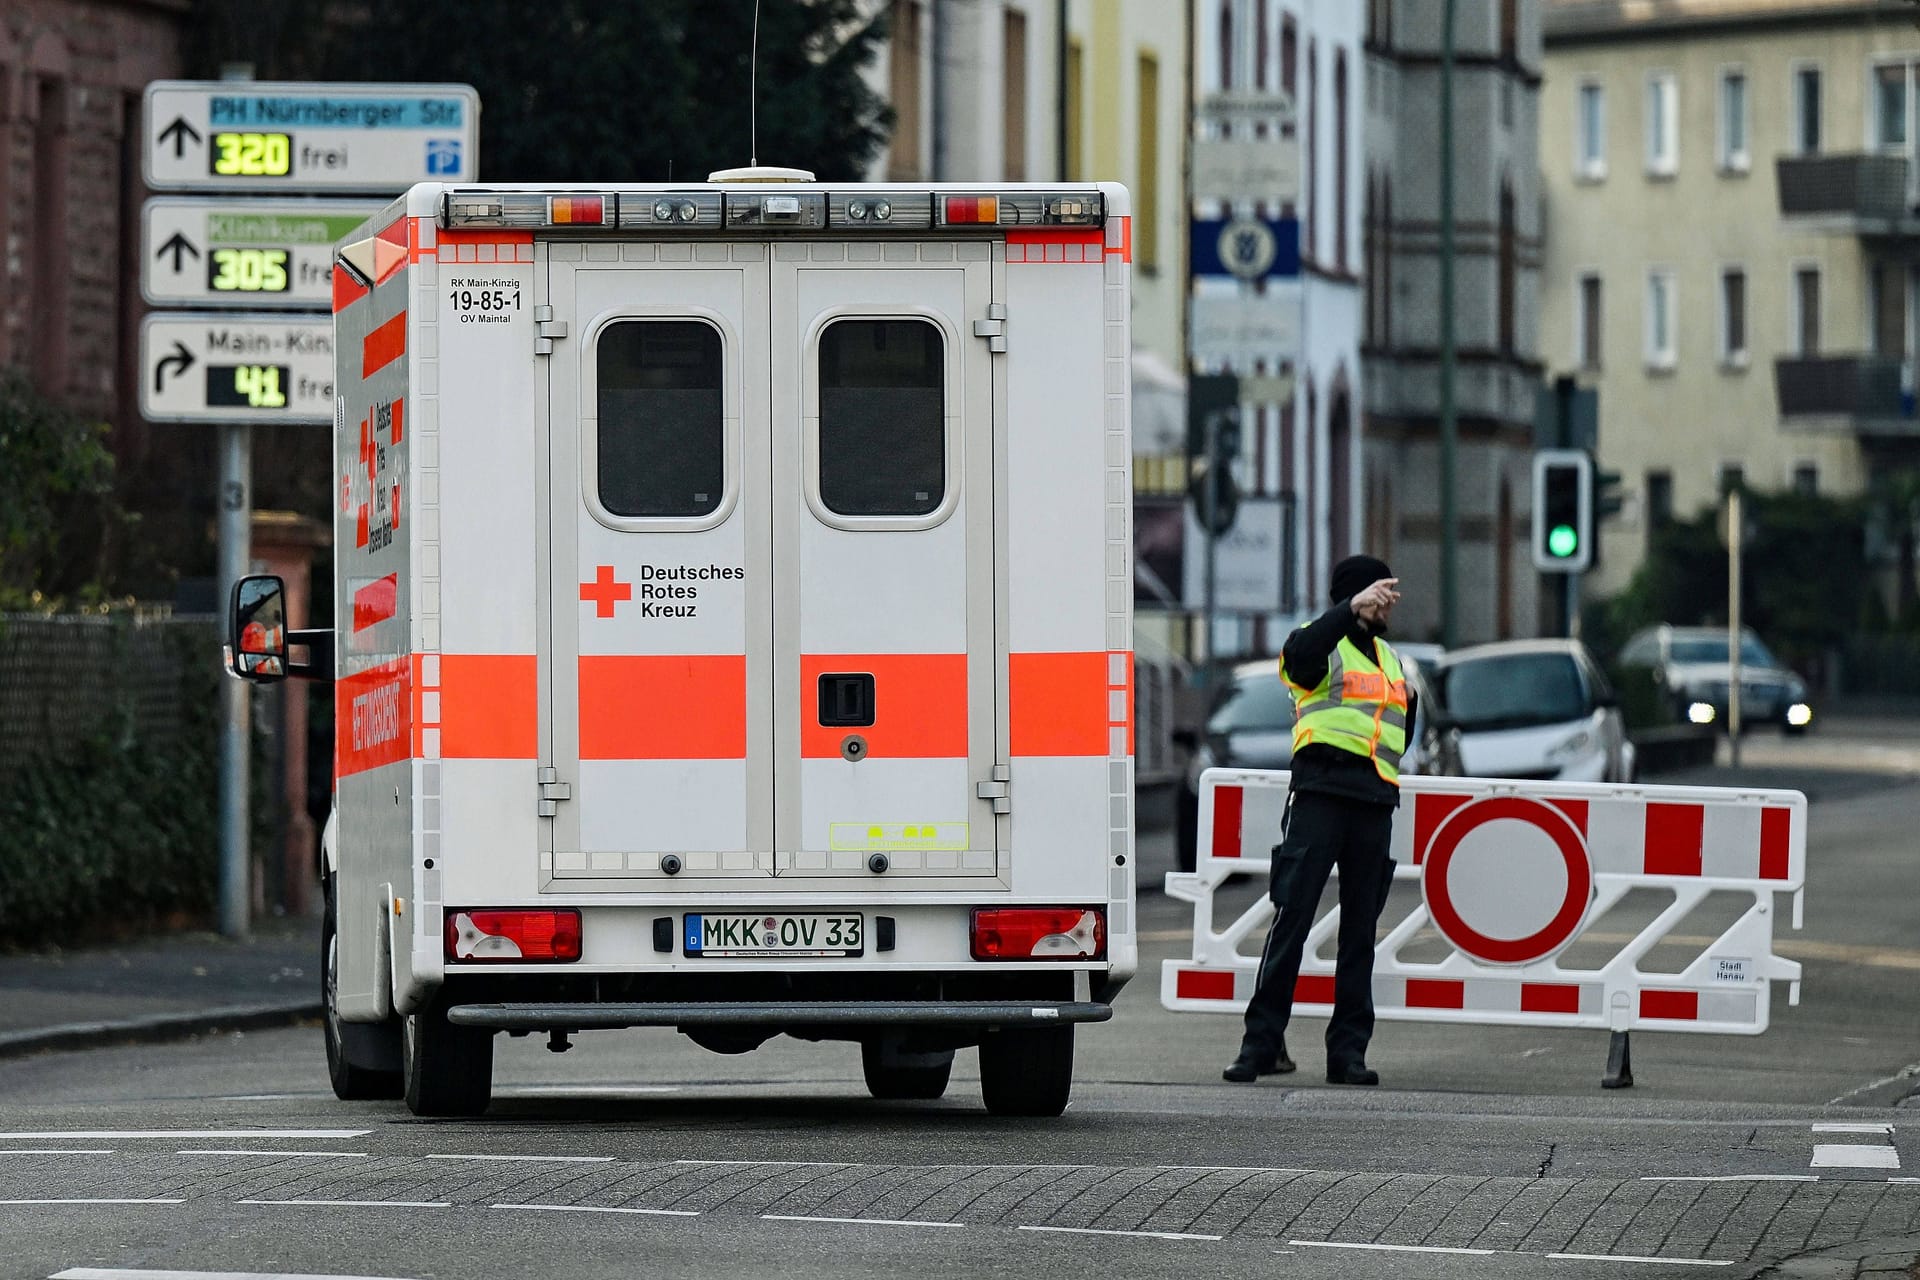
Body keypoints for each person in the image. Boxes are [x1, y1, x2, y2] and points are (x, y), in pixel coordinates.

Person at [1222, 554, 1412, 1087]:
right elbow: (1299, 655)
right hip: (1320, 796)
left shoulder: (1393, 661)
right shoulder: (1320, 643)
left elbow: (1400, 730)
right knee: (1292, 920)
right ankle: (1260, 1044)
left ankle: (1347, 1054)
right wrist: (1348, 609)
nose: (1390, 602)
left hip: (1374, 803)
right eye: (1381, 592)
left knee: (1359, 935)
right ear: (1355, 595)